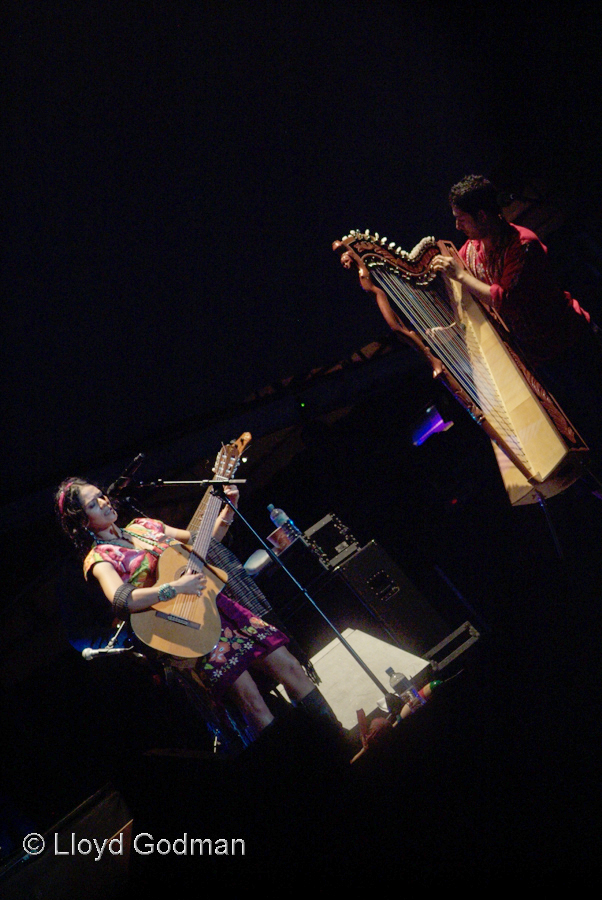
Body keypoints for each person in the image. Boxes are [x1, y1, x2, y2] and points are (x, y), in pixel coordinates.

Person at [55, 477, 342, 744]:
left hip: (217, 607)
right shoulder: (99, 558)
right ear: (82, 522)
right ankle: (307, 768)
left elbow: (204, 543)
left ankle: (338, 740)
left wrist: (228, 510)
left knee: (290, 666)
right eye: (93, 504)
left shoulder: (145, 527)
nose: (104, 503)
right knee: (251, 700)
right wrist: (174, 589)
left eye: (102, 496)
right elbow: (122, 598)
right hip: (187, 632)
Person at [430, 174, 602, 465]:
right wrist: (450, 331)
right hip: (536, 359)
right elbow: (474, 306)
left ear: (482, 215)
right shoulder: (470, 252)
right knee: (583, 432)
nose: (457, 225)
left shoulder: (522, 245)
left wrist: (459, 275)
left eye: (462, 218)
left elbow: (505, 299)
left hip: (569, 347)